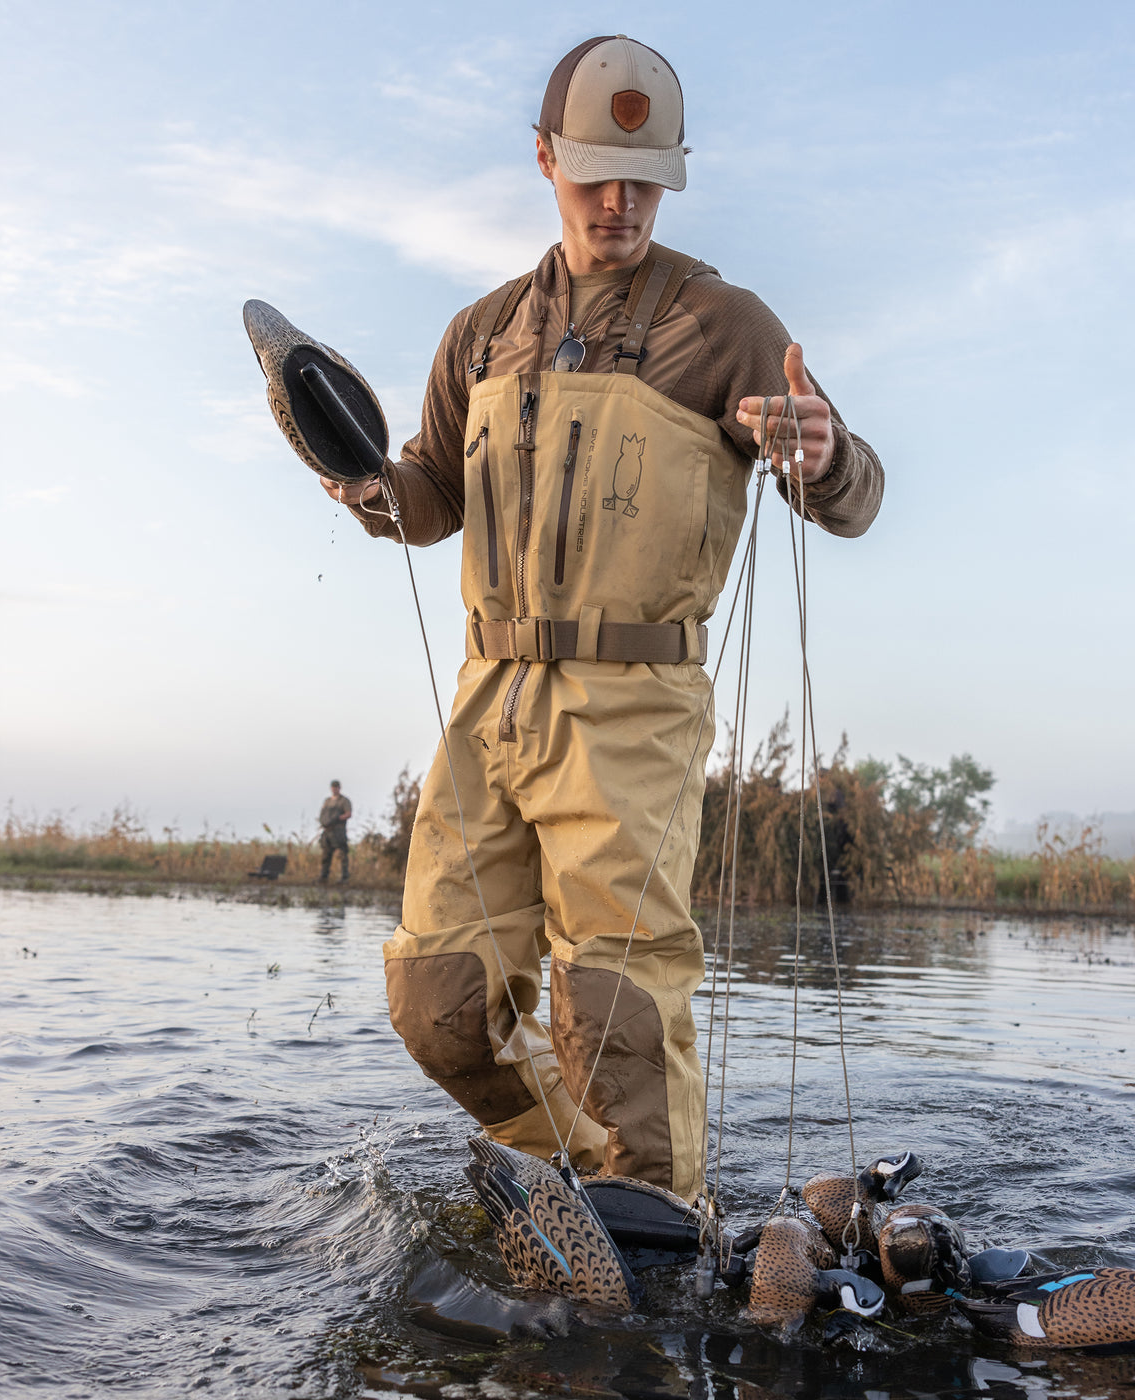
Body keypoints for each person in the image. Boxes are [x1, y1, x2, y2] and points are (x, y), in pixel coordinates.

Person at [327, 36, 883, 1201]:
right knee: (435, 1002)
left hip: (635, 707)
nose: (621, 200)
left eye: (645, 176)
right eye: (594, 173)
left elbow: (854, 492)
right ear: (543, 159)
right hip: (490, 703)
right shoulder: (478, 332)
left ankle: (654, 1230)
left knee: (614, 1015)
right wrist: (376, 491)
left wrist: (821, 457)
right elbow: (430, 489)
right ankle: (570, 1177)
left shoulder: (724, 322)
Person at [318, 780, 352, 883]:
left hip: (338, 831)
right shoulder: (327, 801)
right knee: (326, 854)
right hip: (327, 831)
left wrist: (338, 818)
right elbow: (322, 814)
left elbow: (349, 814)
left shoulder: (344, 801)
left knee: (342, 854)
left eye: (336, 787)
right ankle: (324, 876)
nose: (334, 789)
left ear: (339, 788)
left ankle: (344, 877)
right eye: (333, 787)